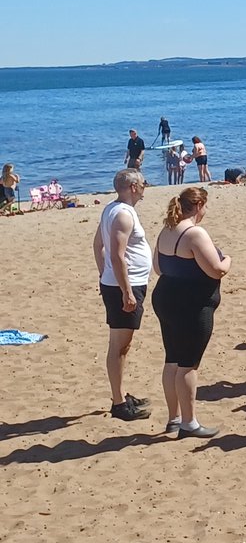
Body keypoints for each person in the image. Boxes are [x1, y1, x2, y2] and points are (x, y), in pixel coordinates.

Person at [151, 185, 230, 437]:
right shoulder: (195, 233)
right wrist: (228, 260)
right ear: (197, 206)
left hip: (166, 296)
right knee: (188, 364)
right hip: (191, 303)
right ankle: (189, 422)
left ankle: (174, 417)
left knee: (172, 359)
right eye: (205, 206)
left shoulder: (167, 230)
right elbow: (215, 269)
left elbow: (158, 267)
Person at [94, 169, 153, 421]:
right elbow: (115, 255)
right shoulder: (121, 215)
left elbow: (98, 246)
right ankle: (118, 403)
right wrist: (126, 291)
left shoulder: (113, 209)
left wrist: (104, 274)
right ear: (132, 187)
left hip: (119, 284)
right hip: (124, 287)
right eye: (142, 184)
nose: (144, 188)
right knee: (119, 346)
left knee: (121, 345)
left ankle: (120, 394)